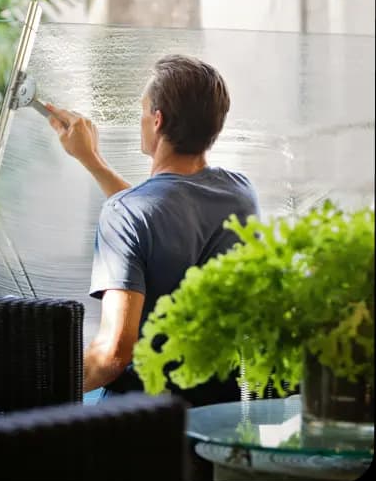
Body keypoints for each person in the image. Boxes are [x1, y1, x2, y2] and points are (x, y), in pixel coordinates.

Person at [46, 54, 260, 407]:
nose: (141, 119)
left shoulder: (127, 213)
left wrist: (39, 386)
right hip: (221, 407)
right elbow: (163, 214)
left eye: (143, 110)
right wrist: (92, 161)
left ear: (157, 121)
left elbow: (113, 355)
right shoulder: (240, 193)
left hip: (144, 417)